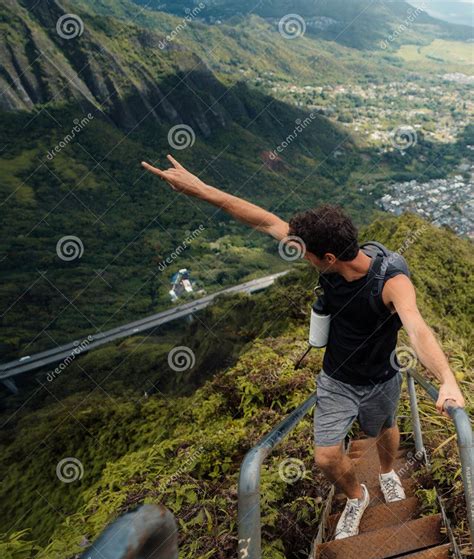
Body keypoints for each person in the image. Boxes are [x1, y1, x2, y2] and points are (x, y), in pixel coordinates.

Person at [142, 155, 465, 539]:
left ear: (328, 257)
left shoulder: (391, 281)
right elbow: (263, 220)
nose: (301, 255)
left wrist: (446, 378)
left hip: (382, 375)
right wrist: (202, 189)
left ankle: (387, 471)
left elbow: (417, 327)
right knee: (326, 456)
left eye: (307, 253)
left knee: (385, 429)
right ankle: (356, 496)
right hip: (336, 379)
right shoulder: (330, 258)